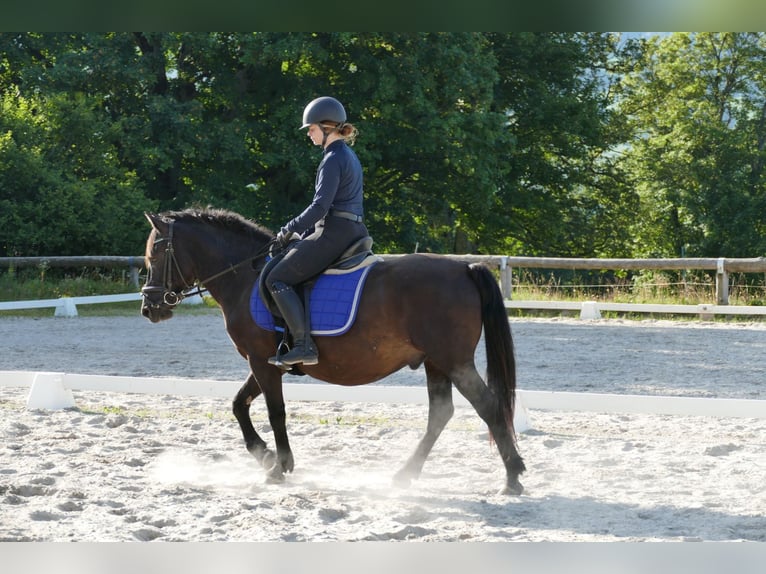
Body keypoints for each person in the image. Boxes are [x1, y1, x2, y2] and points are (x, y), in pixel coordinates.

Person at [265, 96, 369, 367]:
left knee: (277, 279)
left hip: (334, 232)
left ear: (326, 127)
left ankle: (303, 346)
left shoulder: (333, 158)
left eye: (311, 129)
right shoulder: (348, 155)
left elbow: (320, 206)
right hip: (352, 228)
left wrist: (288, 230)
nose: (309, 135)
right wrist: (304, 233)